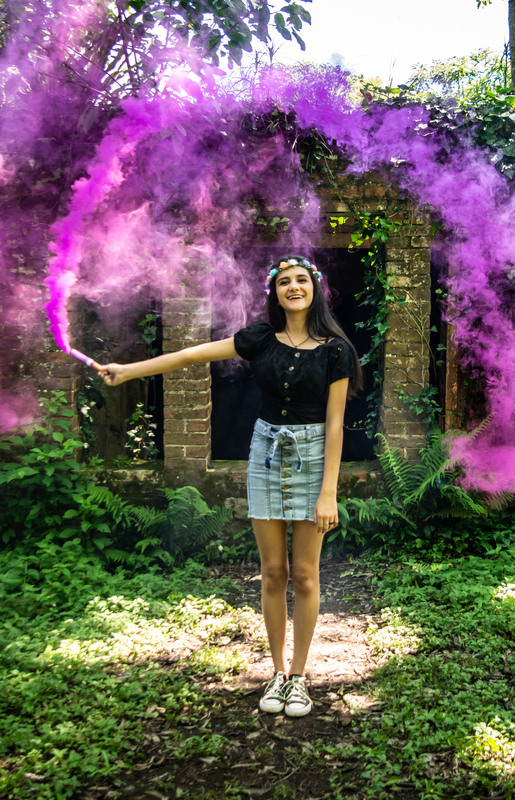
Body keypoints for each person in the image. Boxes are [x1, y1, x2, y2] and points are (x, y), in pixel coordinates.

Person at [94, 255, 361, 718]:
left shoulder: (336, 349)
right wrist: (129, 370)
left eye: (301, 280)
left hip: (314, 456)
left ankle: (300, 678)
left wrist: (328, 491)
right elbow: (190, 355)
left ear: (316, 289)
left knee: (305, 574)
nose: (293, 287)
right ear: (274, 291)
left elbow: (336, 425)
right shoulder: (259, 338)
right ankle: (277, 674)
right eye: (284, 282)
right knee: (273, 571)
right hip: (265, 453)